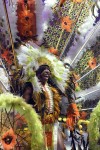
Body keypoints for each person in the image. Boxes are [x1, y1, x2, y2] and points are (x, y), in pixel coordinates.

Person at [34, 64, 65, 150]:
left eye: (48, 73)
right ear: (39, 74)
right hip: (40, 123)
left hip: (52, 121)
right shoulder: (35, 88)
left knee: (56, 145)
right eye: (45, 72)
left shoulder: (51, 89)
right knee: (44, 146)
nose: (47, 74)